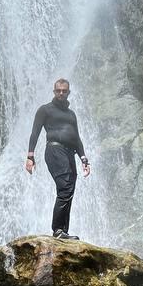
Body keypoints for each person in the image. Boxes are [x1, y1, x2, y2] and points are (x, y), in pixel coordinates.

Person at [25, 78, 91, 240]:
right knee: (65, 186)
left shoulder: (71, 114)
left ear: (68, 92)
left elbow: (76, 138)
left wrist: (83, 159)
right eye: (58, 90)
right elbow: (35, 133)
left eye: (64, 91)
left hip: (70, 153)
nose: (61, 93)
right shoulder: (45, 110)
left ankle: (63, 231)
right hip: (55, 150)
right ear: (54, 91)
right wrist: (30, 156)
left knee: (69, 190)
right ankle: (58, 230)